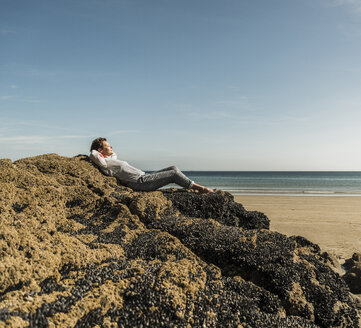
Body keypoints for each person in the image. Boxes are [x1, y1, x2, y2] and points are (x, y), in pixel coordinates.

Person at [89, 137, 216, 193]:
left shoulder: (111, 158)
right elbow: (94, 155)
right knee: (173, 174)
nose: (111, 147)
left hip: (144, 177)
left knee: (173, 168)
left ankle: (191, 186)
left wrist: (104, 150)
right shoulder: (104, 162)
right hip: (139, 183)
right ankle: (201, 188)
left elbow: (112, 154)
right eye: (108, 146)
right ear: (100, 150)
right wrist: (96, 150)